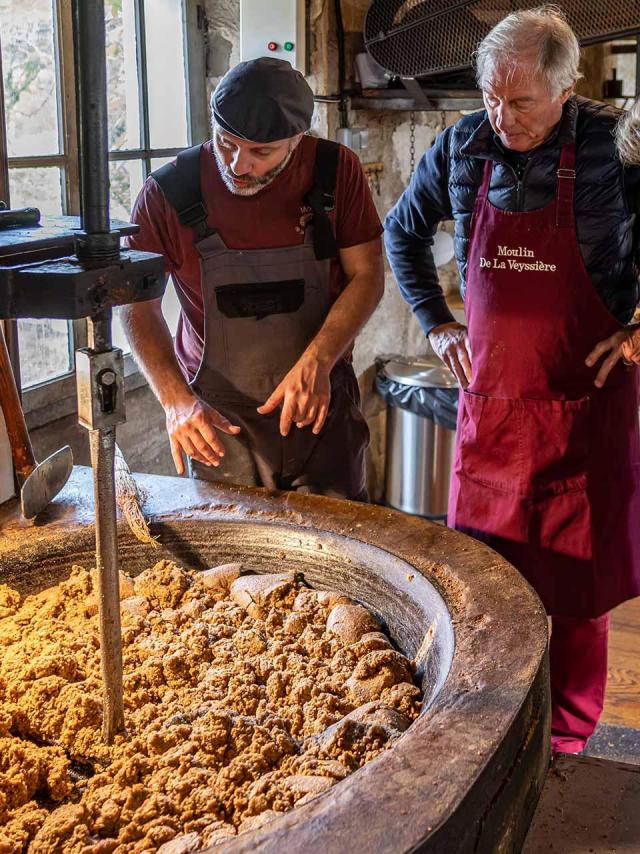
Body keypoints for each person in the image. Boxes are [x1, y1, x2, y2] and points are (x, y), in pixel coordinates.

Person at [385, 5, 640, 755]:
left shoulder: (615, 147)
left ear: (566, 87)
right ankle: (490, 721)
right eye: (491, 96)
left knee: (578, 592)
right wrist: (436, 320)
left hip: (584, 411)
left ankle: (565, 739)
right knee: (487, 584)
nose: (502, 116)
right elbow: (402, 229)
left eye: (520, 101)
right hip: (493, 412)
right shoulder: (464, 142)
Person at [121, 58, 383, 500]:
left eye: (262, 153)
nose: (239, 166)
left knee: (338, 559)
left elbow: (367, 275)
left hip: (319, 410)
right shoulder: (168, 193)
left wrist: (318, 362)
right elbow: (134, 306)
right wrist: (175, 402)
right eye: (226, 144)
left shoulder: (335, 172)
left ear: (298, 140)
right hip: (218, 426)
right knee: (229, 563)